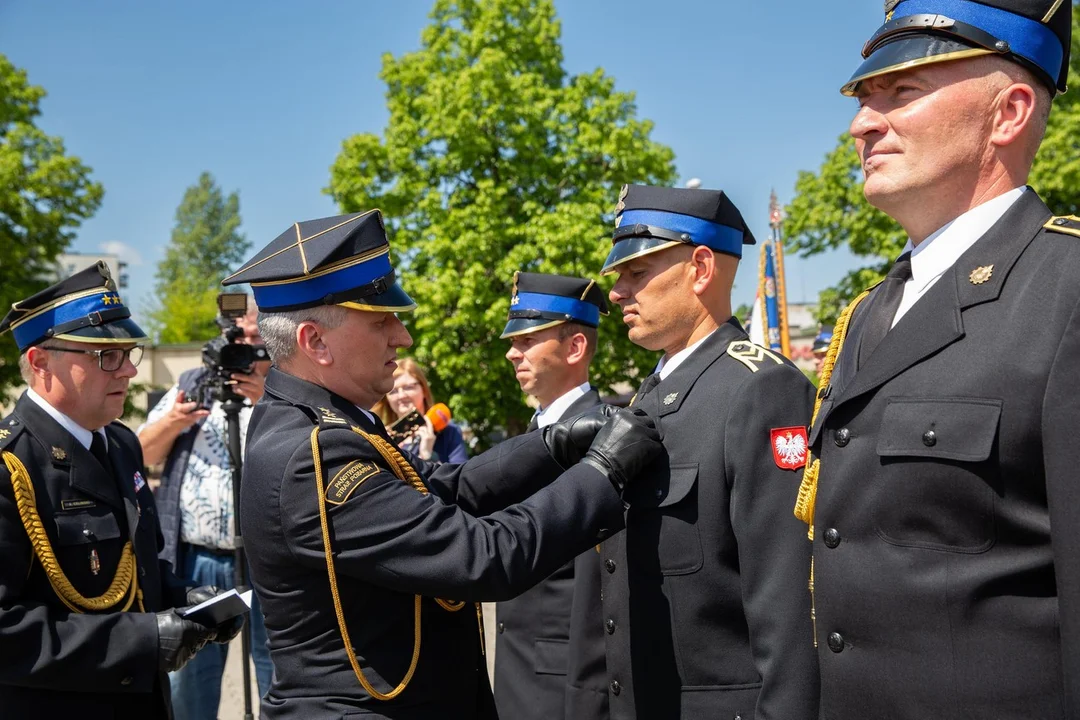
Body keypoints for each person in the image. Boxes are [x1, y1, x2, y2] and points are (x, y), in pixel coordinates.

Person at [220, 209, 664, 719]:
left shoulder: (322, 423)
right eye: (380, 319)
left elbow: (444, 485)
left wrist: (552, 445)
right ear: (315, 342)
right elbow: (483, 557)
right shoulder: (313, 453)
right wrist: (602, 472)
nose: (402, 336)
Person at [793, 1, 1078, 717]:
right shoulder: (869, 312)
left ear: (1009, 113)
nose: (861, 124)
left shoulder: (1067, 290)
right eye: (864, 99)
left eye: (901, 92)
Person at [600, 184, 820, 719]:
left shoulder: (762, 389)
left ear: (700, 268)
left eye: (636, 272)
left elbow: (786, 603)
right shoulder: (651, 393)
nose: (616, 292)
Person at [0, 262, 241, 719]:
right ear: (39, 362)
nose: (128, 371)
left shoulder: (120, 442)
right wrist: (144, 640)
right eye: (104, 356)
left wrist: (185, 598)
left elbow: (136, 567)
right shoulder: (10, 466)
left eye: (128, 353)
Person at [136, 301, 273, 718]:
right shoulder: (195, 382)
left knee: (278, 672)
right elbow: (140, 452)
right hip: (198, 560)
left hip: (269, 560)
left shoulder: (290, 386)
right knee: (193, 677)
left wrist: (269, 402)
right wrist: (175, 420)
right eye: (237, 337)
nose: (245, 346)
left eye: (254, 336)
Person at [495, 271, 611, 720]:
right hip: (521, 674)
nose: (511, 353)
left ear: (575, 348)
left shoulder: (601, 436)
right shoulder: (534, 434)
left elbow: (596, 584)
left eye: (527, 341)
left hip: (565, 683)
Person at [372, 357, 468, 463]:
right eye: (393, 391)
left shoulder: (449, 433)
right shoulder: (383, 438)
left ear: (424, 390)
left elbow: (459, 478)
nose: (401, 395)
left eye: (408, 387)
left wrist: (428, 456)